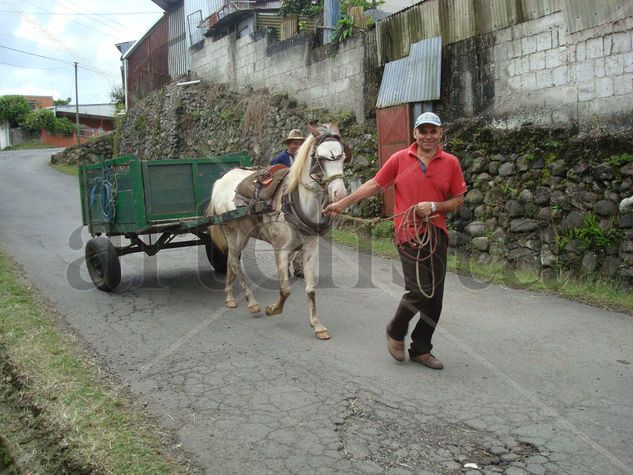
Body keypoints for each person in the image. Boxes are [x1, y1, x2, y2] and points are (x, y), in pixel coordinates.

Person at [323, 112, 466, 370]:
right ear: (415, 134)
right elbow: (374, 185)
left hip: (437, 233)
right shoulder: (400, 159)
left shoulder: (451, 163)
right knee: (420, 290)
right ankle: (395, 330)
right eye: (423, 131)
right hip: (408, 233)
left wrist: (434, 205)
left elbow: (458, 200)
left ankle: (421, 349)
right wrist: (342, 204)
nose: (428, 136)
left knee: (435, 298)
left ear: (440, 133)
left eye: (433, 131)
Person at [272, 129, 306, 277]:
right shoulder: (280, 159)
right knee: (287, 236)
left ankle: (299, 268)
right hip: (285, 202)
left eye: (300, 143)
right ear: (288, 144)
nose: (297, 146)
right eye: (294, 143)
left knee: (302, 235)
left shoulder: (305, 159)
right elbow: (272, 178)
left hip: (301, 201)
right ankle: (284, 267)